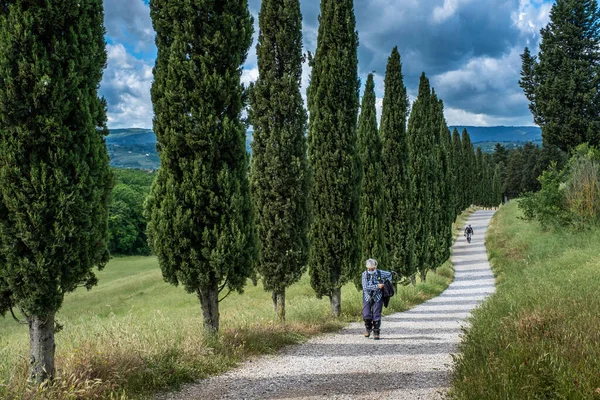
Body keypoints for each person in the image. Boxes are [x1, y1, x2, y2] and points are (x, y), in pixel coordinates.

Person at [362, 258, 392, 340]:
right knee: (366, 314)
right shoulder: (364, 274)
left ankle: (376, 332)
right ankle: (368, 329)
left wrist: (386, 284)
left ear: (375, 267)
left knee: (376, 314)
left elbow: (389, 275)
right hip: (367, 296)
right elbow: (365, 287)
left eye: (372, 269)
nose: (371, 270)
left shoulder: (380, 273)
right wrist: (377, 286)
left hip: (378, 296)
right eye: (369, 269)